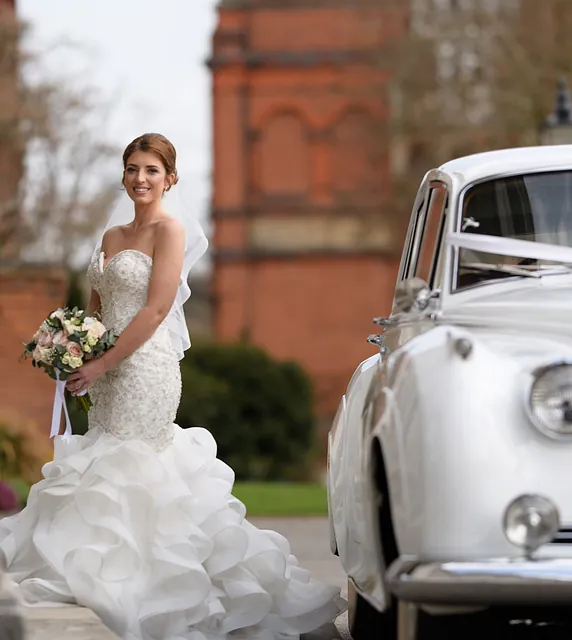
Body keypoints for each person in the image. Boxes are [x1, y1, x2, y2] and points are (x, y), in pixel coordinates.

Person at [0, 133, 346, 639]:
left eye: (152, 171)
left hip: (146, 369)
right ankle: (109, 570)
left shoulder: (170, 230)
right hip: (107, 371)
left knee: (139, 466)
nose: (141, 179)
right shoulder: (111, 236)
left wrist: (103, 364)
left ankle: (162, 586)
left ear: (170, 179)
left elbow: (157, 309)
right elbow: (96, 308)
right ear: (124, 175)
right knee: (105, 462)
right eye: (133, 168)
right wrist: (74, 346)